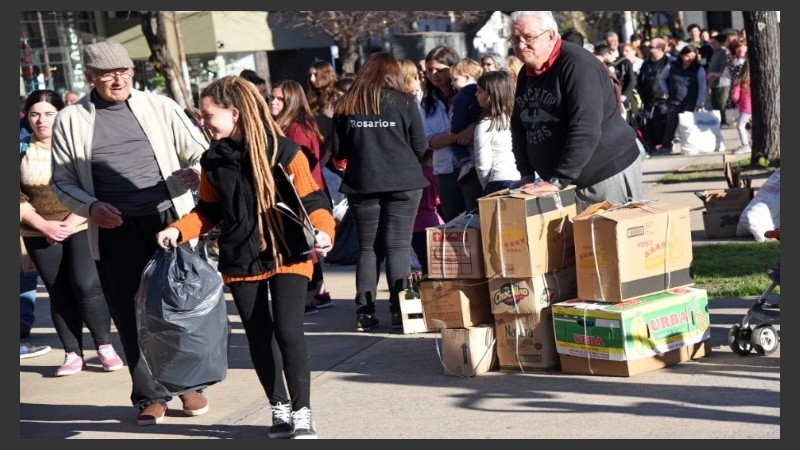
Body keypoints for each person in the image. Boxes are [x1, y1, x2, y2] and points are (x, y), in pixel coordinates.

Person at [156, 75, 334, 439]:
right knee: (258, 336)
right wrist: (178, 229)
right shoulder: (212, 160)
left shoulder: (283, 152)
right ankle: (279, 408)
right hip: (241, 257)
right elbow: (207, 212)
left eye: (208, 115)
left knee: (288, 331)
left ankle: (302, 411)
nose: (202, 122)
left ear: (234, 112)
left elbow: (314, 200)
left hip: (288, 251)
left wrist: (324, 231)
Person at [49, 41, 210, 425]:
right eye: (107, 74)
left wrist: (196, 174)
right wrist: (90, 207)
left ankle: (188, 385)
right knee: (129, 310)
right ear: (90, 78)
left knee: (177, 307)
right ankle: (148, 395)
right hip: (113, 226)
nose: (118, 79)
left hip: (167, 220)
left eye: (124, 71)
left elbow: (202, 151)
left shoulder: (160, 107)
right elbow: (61, 182)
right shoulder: (71, 119)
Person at [20, 89, 124, 377]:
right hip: (38, 230)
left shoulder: (77, 145)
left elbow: (94, 186)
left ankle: (104, 346)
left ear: (61, 115)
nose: (41, 121)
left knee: (87, 284)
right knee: (59, 291)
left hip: (80, 223)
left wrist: (69, 222)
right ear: (27, 117)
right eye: (34, 114)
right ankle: (71, 353)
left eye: (49, 114)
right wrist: (44, 225)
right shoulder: (20, 149)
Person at [330, 52, 428, 332]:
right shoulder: (406, 101)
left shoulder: (346, 104)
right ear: (393, 72)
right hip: (404, 181)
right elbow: (420, 147)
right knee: (397, 246)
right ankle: (400, 312)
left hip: (364, 182)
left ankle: (364, 313)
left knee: (368, 248)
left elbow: (339, 151)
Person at [508, 11, 643, 213]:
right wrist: (526, 174)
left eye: (528, 37)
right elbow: (520, 126)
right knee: (579, 244)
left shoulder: (578, 65)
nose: (520, 45)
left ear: (551, 36)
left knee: (608, 239)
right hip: (565, 181)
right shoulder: (527, 72)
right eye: (515, 39)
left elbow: (585, 126)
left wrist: (559, 180)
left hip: (603, 173)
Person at [269, 80, 333, 314]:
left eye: (279, 99)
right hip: (298, 195)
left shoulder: (297, 128)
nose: (273, 102)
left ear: (292, 102)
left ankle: (308, 297)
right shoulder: (288, 125)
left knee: (306, 246)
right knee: (308, 245)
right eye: (272, 97)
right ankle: (319, 292)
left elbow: (302, 165)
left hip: (305, 196)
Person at [420, 45, 483, 222]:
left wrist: (472, 128)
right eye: (429, 70)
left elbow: (487, 118)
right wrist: (455, 137)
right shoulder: (427, 103)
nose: (434, 75)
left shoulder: (474, 94)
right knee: (454, 220)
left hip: (472, 165)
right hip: (445, 169)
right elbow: (428, 141)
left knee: (476, 218)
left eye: (439, 70)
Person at [473, 70, 521, 195]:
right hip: (529, 178)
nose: (475, 94)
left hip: (501, 180)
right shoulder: (522, 117)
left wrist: (487, 187)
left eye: (479, 91)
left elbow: (482, 164)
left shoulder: (486, 124)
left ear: (491, 94)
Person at [656, 44, 707, 154]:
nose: (690, 59)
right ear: (682, 55)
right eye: (687, 56)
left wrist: (700, 100)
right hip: (674, 100)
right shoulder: (672, 65)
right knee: (671, 124)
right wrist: (666, 91)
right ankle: (667, 146)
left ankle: (690, 145)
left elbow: (702, 85)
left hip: (691, 101)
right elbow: (662, 78)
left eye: (693, 57)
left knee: (689, 126)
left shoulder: (699, 69)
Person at [449, 58, 484, 185]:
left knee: (455, 144)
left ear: (467, 77)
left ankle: (465, 162)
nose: (452, 83)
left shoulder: (460, 97)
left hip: (461, 132)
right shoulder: (483, 91)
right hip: (478, 137)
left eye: (454, 79)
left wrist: (455, 132)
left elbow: (458, 117)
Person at [636, 37, 673, 151]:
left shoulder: (670, 62)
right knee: (649, 125)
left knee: (664, 125)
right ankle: (653, 145)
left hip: (664, 102)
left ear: (660, 49)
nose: (647, 49)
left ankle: (665, 146)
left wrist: (668, 93)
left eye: (651, 47)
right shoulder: (646, 63)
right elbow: (641, 80)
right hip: (648, 102)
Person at [729, 56, 752, 155]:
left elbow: (735, 96)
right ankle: (752, 141)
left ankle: (745, 145)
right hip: (755, 107)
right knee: (751, 126)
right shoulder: (757, 80)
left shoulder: (740, 81)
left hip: (745, 107)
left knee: (740, 126)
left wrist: (737, 102)